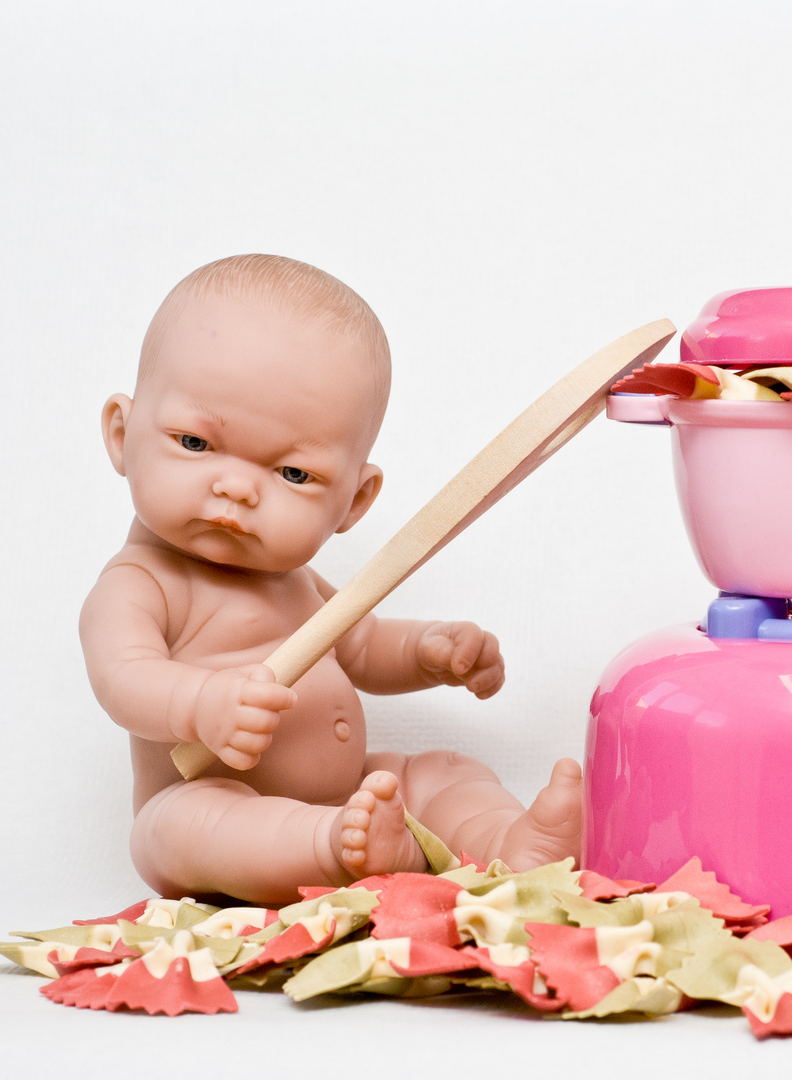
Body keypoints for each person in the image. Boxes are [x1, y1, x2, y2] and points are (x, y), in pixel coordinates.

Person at [81, 254, 581, 904]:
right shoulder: (141, 583)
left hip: (347, 796)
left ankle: (508, 846)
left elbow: (365, 646)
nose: (235, 487)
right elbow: (124, 678)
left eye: (294, 475)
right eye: (196, 444)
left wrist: (430, 652)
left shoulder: (298, 585)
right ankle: (332, 850)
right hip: (210, 798)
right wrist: (203, 705)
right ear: (122, 434)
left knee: (439, 773)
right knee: (182, 827)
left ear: (353, 502)